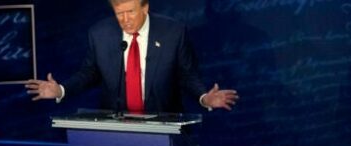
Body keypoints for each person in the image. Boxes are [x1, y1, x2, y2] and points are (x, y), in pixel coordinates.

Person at [25, 0, 238, 113]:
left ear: (145, 7)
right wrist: (61, 90)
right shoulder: (99, 34)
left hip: (163, 125)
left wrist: (204, 98)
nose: (125, 20)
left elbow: (187, 75)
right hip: (115, 127)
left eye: (131, 12)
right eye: (119, 13)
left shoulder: (173, 32)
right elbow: (89, 73)